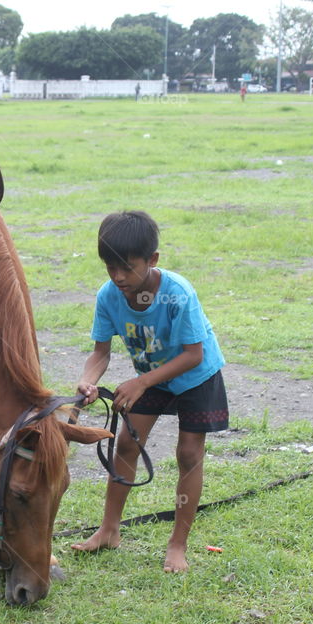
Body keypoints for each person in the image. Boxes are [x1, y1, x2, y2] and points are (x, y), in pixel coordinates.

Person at [71, 210, 228, 573]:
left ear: (153, 260)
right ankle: (109, 530)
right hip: (151, 373)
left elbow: (193, 355)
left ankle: (177, 544)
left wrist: (142, 381)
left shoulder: (178, 294)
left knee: (189, 453)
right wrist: (87, 379)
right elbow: (100, 352)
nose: (118, 276)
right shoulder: (109, 296)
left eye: (127, 267)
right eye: (110, 267)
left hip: (194, 374)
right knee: (126, 443)